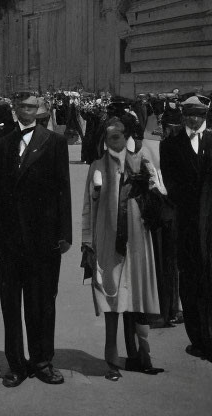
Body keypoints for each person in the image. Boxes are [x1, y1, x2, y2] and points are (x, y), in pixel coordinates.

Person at [0, 92, 72, 387]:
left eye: (33, 107)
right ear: (15, 109)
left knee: (43, 303)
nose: (27, 111)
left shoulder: (55, 142)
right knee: (11, 304)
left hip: (43, 238)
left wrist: (65, 234)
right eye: (22, 106)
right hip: (9, 239)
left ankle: (43, 362)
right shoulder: (2, 144)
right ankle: (16, 364)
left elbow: (64, 191)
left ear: (41, 110)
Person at [81, 118, 165, 380]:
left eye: (116, 136)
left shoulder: (141, 159)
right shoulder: (97, 166)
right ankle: (111, 361)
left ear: (126, 135)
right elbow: (88, 208)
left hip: (139, 239)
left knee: (138, 295)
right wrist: (87, 242)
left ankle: (143, 355)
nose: (111, 140)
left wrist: (150, 182)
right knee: (111, 297)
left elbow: (160, 192)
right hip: (108, 240)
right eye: (107, 136)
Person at [159, 95, 212, 360]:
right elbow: (171, 184)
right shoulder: (170, 145)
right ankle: (198, 340)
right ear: (183, 114)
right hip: (187, 225)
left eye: (199, 114)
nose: (194, 118)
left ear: (206, 115)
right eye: (190, 113)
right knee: (190, 283)